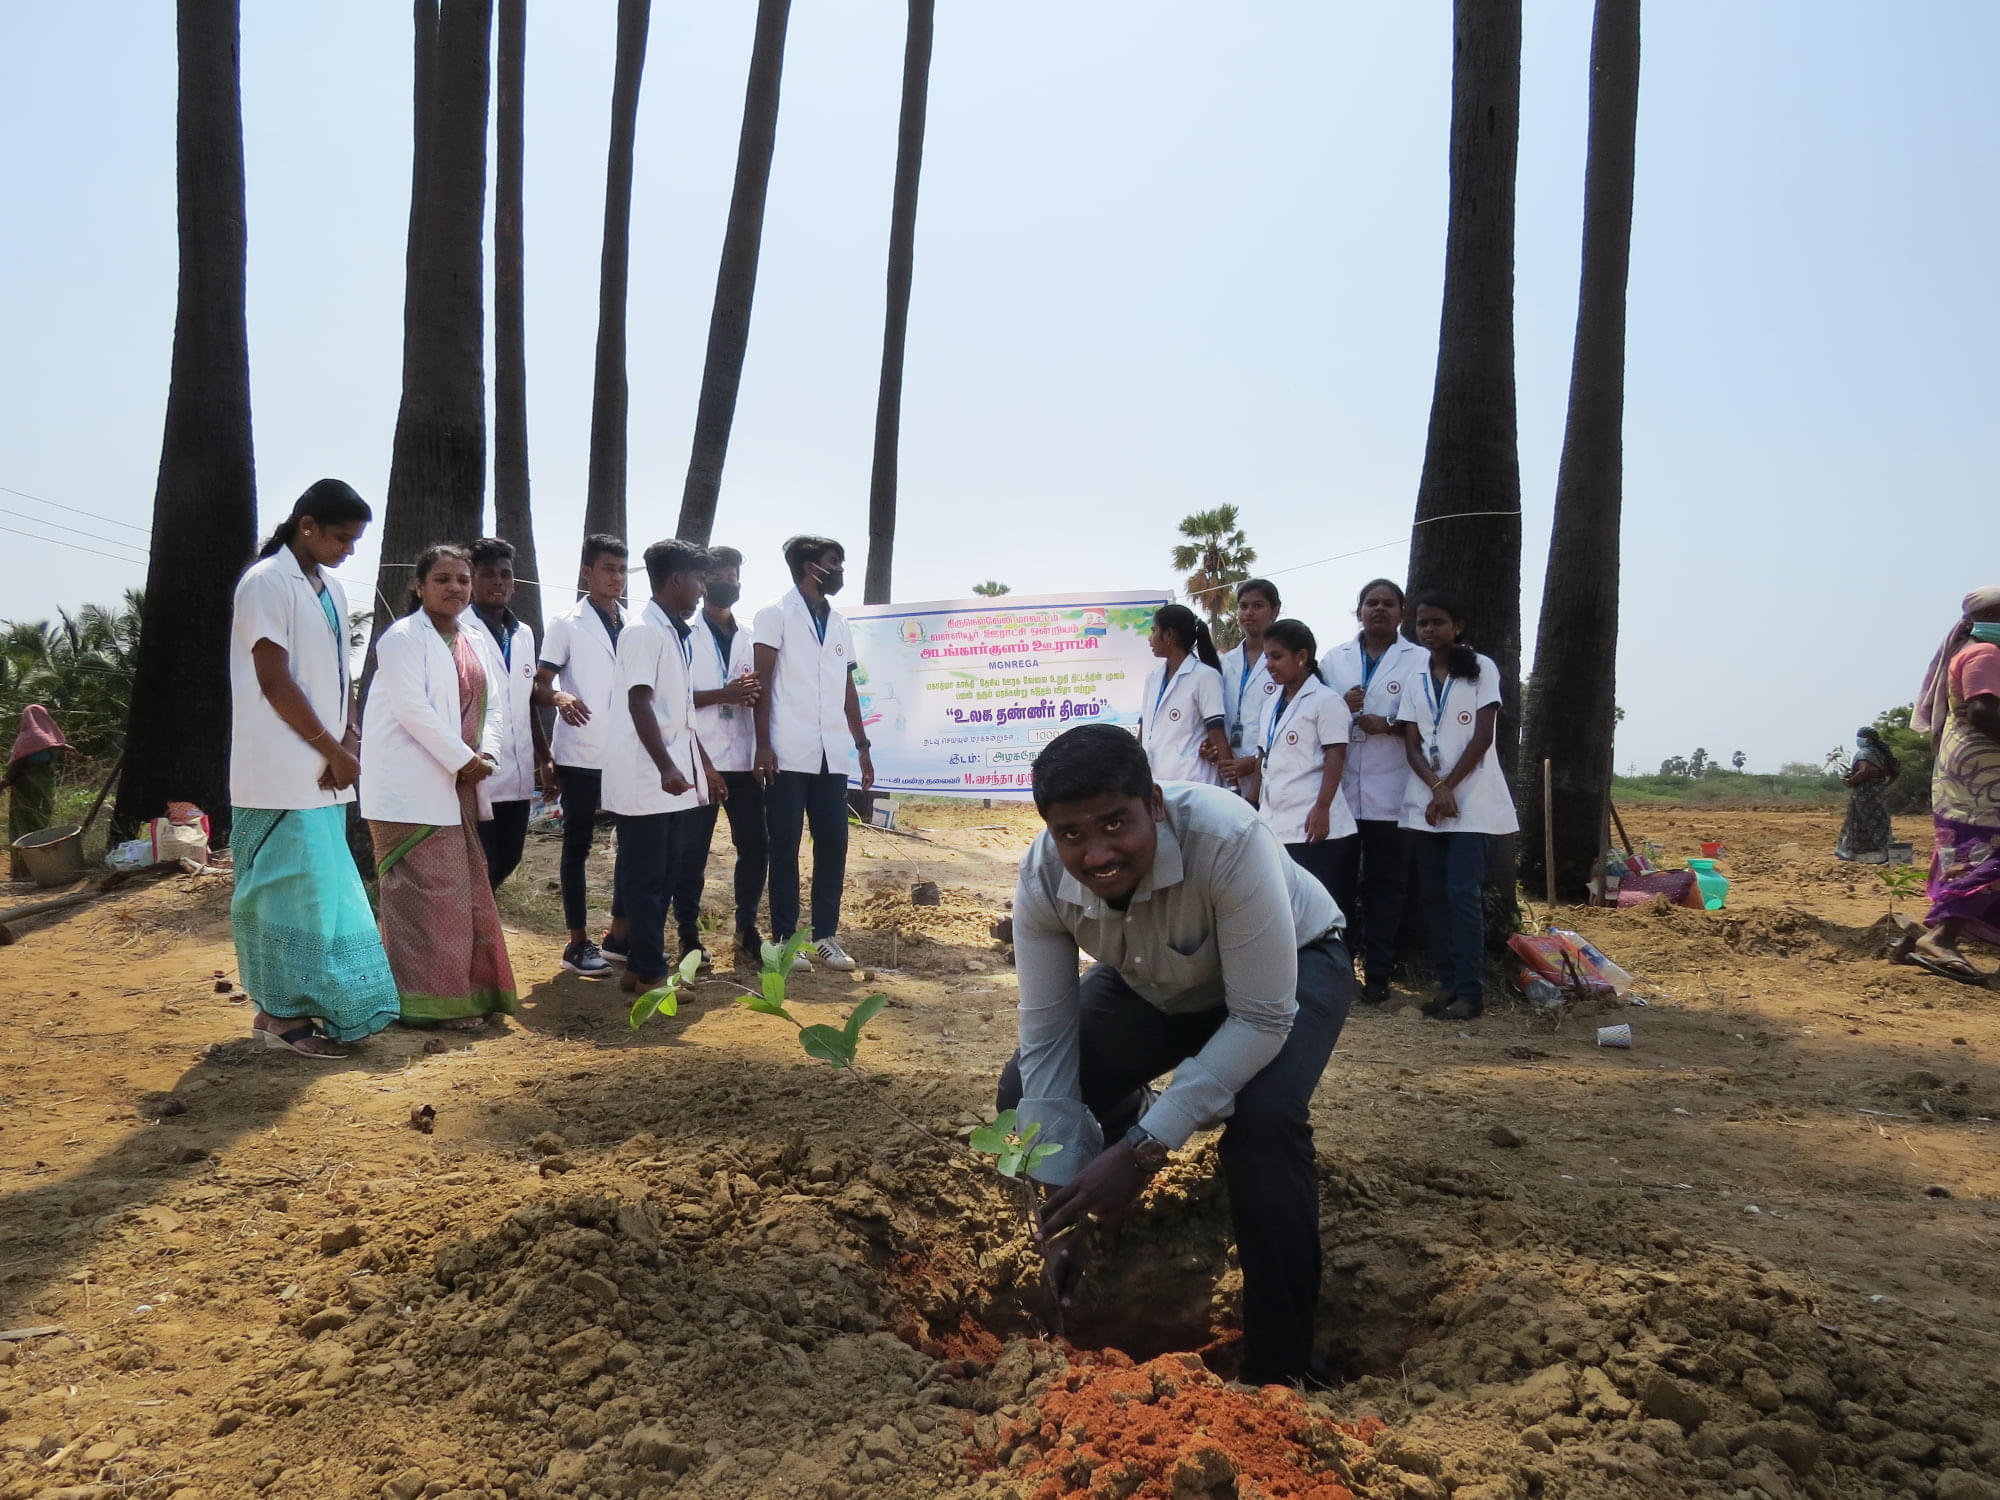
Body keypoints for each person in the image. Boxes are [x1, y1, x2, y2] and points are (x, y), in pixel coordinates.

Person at [997, 723, 1350, 1388]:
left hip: (1293, 970)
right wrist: (1061, 1199)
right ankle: (1130, 1124)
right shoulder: (1042, 877)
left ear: (1154, 803)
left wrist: (1143, 1150)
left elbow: (1262, 1017)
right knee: (1023, 1088)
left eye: (1115, 824)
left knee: (1265, 1125)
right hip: (1159, 984)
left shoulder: (1227, 838)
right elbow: (1047, 1040)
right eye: (1071, 833)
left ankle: (1282, 1368)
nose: (1097, 853)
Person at [225, 479, 399, 1057]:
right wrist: (331, 747)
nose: (349, 549)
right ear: (307, 526)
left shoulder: (331, 588)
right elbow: (274, 680)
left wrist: (346, 738)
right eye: (342, 538)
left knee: (320, 897)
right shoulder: (265, 582)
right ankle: (278, 1015)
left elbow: (337, 676)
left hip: (324, 769)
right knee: (282, 895)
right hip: (277, 771)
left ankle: (308, 1008)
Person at [361, 543, 518, 1029]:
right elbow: (413, 711)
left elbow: (495, 705)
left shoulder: (472, 639)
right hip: (407, 788)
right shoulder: (403, 637)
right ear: (418, 586)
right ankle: (422, 1003)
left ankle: (462, 994)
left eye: (462, 580)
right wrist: (462, 759)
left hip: (459, 783)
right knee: (423, 896)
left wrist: (485, 755)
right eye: (443, 579)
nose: (455, 588)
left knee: (459, 892)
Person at [753, 535, 875, 972]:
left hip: (831, 754)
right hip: (787, 751)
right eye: (834, 562)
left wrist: (861, 746)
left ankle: (825, 935)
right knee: (784, 848)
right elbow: (762, 684)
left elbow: (847, 687)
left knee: (834, 846)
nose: (840, 570)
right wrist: (762, 745)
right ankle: (785, 940)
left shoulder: (838, 622)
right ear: (810, 567)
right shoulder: (774, 614)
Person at [1394, 593, 1516, 1021]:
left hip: (1471, 800)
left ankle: (1471, 991)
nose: (1429, 630)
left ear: (1457, 627)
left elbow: (1484, 736)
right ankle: (1446, 985)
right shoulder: (1415, 678)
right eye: (1423, 623)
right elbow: (1410, 744)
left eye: (1438, 622)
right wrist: (1435, 786)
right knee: (1433, 895)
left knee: (1462, 895)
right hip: (1427, 801)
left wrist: (1448, 787)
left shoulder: (1481, 669)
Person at [605, 539, 718, 993]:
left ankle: (638, 966)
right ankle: (651, 971)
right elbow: (638, 701)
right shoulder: (644, 632)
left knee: (665, 872)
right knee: (648, 877)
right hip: (647, 776)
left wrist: (697, 767)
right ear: (676, 580)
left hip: (670, 778)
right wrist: (667, 766)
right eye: (699, 580)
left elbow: (680, 713)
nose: (702, 591)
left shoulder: (671, 631)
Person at [1324, 579, 1427, 1004]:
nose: (1379, 609)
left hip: (1394, 791)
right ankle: (1340, 972)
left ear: (1401, 613)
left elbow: (1429, 719)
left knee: (1386, 887)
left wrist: (1388, 724)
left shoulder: (1418, 659)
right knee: (1338, 887)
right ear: (1358, 611)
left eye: (1388, 604)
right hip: (1342, 794)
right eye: (1371, 603)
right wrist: (1341, 708)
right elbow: (1313, 714)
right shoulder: (1334, 660)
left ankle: (1381, 974)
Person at [536, 534, 630, 976]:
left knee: (632, 843)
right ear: (587, 573)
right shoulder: (565, 623)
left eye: (622, 569)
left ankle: (617, 936)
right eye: (608, 568)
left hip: (625, 753)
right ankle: (577, 943)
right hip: (579, 752)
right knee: (578, 845)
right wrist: (559, 698)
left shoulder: (632, 623)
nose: (616, 577)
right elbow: (541, 682)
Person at [676, 545, 766, 967]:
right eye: (719, 575)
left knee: (755, 845)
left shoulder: (748, 636)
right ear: (702, 581)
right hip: (700, 759)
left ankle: (746, 929)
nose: (728, 582)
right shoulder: (683, 634)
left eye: (734, 576)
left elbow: (762, 692)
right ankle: (688, 937)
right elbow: (672, 699)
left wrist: (751, 694)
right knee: (691, 853)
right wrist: (724, 695)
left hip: (744, 759)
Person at [1907, 586, 2000, 982]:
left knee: (1973, 851)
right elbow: (1982, 712)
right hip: (1983, 776)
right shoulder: (1987, 654)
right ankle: (1940, 938)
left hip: (1973, 774)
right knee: (1984, 853)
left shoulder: (1977, 651)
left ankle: (1938, 935)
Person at [462, 537, 550, 890]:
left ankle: (479, 934)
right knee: (482, 861)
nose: (498, 582)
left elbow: (526, 700)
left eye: (505, 574)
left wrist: (545, 757)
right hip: (478, 771)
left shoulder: (523, 634)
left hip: (518, 772)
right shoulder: (460, 630)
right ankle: (475, 940)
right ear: (472, 580)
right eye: (487, 575)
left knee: (510, 857)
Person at [1249, 620, 1356, 904]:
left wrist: (1322, 808)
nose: (1269, 665)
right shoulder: (1272, 703)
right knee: (1286, 907)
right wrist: (1251, 804)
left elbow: (1336, 756)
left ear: (1301, 657)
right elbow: (1264, 757)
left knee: (1323, 907)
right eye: (1266, 657)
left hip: (1315, 824)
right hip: (1277, 822)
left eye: (1277, 656)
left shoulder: (1326, 700)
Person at [1139, 604, 1230, 787]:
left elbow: (1217, 735)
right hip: (1156, 780)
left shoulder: (1205, 676)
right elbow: (1143, 732)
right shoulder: (1153, 678)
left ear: (1169, 635)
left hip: (1194, 781)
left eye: (1154, 630)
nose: (1150, 639)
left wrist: (1233, 787)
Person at [1216, 579, 1281, 787]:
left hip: (1273, 771)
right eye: (1243, 606)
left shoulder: (1285, 663)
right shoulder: (1225, 663)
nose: (1249, 613)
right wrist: (1212, 747)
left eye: (1258, 606)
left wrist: (1255, 762)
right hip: (1229, 771)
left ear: (1275, 610)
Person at [5, 705, 70, 879]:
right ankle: (42, 865)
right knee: (41, 822)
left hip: (25, 790)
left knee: (22, 827)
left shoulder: (26, 740)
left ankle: (24, 869)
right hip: (44, 788)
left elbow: (15, 767)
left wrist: (4, 783)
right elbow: (60, 746)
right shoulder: (47, 738)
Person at [1834, 726, 1900, 864]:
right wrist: (1884, 785)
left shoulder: (1865, 753)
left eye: (1860, 737)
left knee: (1861, 821)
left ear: (1868, 740)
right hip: (1878, 791)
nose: (1858, 740)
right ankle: (1883, 853)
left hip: (1864, 792)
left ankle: (1870, 853)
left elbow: (1864, 771)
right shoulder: (1881, 754)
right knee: (1880, 820)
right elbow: (1894, 772)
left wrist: (1850, 781)